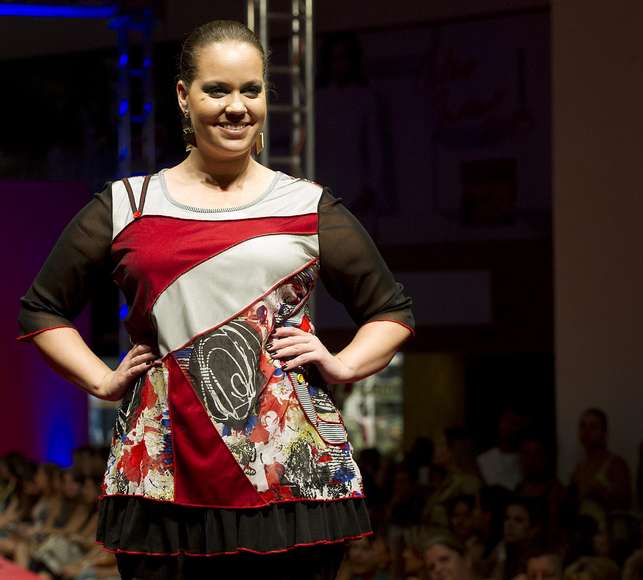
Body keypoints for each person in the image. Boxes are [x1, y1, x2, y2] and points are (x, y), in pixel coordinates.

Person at [17, 19, 413, 579]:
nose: (236, 107)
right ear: (184, 95)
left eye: (251, 90)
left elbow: (390, 310)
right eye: (217, 90)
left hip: (287, 471)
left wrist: (343, 363)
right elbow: (42, 308)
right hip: (161, 471)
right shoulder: (128, 205)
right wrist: (101, 381)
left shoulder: (308, 206)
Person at [567, 409, 631, 527]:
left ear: (604, 433)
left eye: (593, 427)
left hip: (610, 531)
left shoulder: (615, 463)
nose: (586, 432)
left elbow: (625, 503)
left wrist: (597, 492)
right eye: (583, 426)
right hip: (585, 531)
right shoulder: (579, 467)